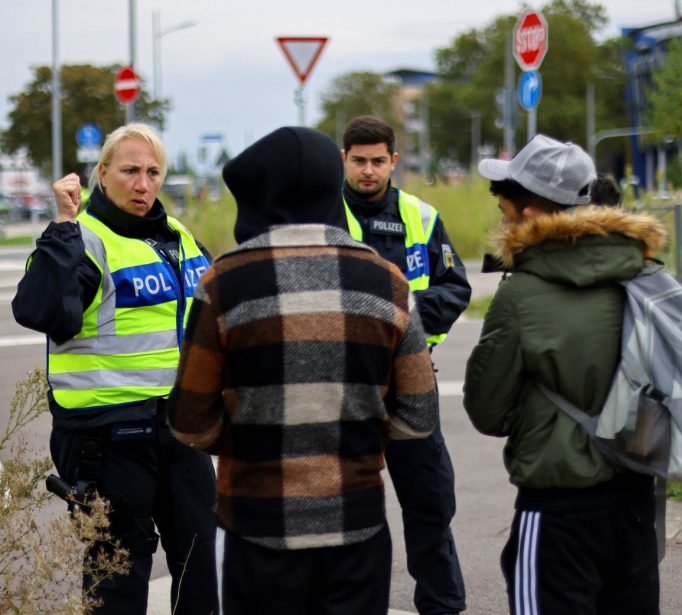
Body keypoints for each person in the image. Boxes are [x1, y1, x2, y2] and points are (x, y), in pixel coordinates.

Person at [167, 126, 439, 615]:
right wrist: (356, 436)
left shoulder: (224, 284)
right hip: (357, 524)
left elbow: (190, 420)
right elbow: (418, 414)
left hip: (256, 524)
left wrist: (250, 438)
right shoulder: (389, 283)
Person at [12, 123, 218, 615]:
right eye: (130, 171)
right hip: (107, 437)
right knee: (118, 572)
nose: (143, 184)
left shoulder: (177, 236)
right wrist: (62, 227)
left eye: (153, 172)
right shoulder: (81, 239)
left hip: (178, 430)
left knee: (200, 560)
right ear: (102, 173)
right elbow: (41, 310)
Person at [463, 134, 667, 615]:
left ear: (532, 214)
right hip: (636, 500)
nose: (501, 219)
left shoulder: (520, 295)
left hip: (558, 508)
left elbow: (487, 411)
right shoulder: (643, 273)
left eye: (505, 208)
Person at [341, 116, 470, 615]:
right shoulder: (322, 216)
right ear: (344, 160)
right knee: (346, 511)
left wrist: (395, 315)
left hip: (411, 380)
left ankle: (442, 606)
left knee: (430, 504)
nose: (368, 171)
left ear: (394, 160)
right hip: (344, 387)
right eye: (359, 161)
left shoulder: (421, 215)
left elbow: (454, 289)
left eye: (378, 161)